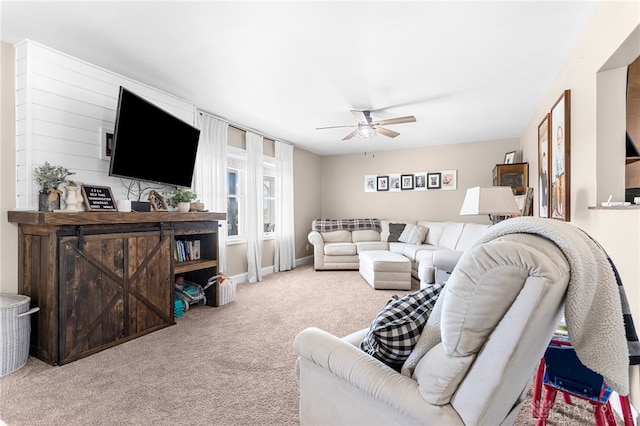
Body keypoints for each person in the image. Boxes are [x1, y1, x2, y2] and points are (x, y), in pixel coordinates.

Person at [552, 126, 565, 218]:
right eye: (557, 138)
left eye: (560, 138)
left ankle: (562, 208)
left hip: (563, 173)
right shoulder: (557, 153)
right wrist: (556, 176)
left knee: (563, 185)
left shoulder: (564, 151)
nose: (558, 141)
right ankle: (558, 207)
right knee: (556, 185)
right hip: (558, 174)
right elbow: (556, 166)